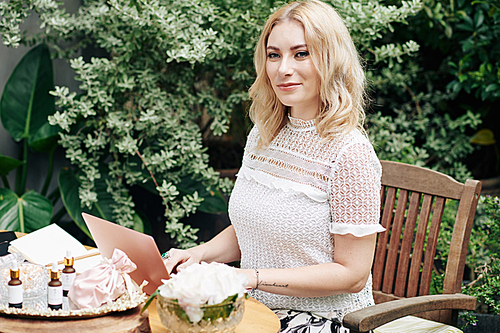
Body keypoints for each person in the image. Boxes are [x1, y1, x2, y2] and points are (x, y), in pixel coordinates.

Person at [164, 1, 385, 331]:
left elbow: (352, 275)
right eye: (274, 55)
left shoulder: (350, 153)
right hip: (255, 311)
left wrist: (250, 278)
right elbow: (255, 229)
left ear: (332, 59)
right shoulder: (263, 135)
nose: (283, 68)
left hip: (324, 321)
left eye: (301, 54)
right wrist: (200, 254)